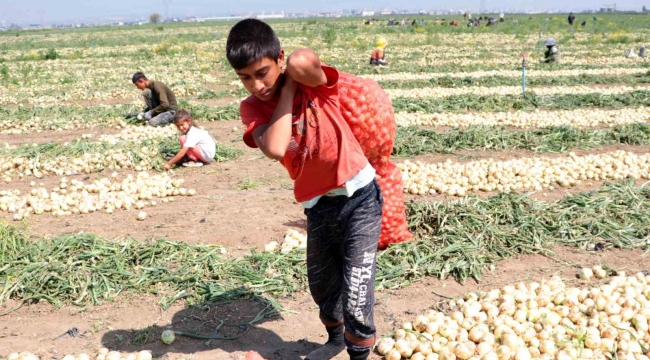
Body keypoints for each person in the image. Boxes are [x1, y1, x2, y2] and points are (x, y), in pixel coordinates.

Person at [226, 18, 383, 360]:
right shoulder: (251, 108)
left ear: (278, 59)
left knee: (357, 289)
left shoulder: (313, 84)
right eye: (245, 77)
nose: (256, 85)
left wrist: (293, 79)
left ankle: (358, 354)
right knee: (323, 288)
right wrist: (286, 92)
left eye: (263, 72)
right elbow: (277, 147)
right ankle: (335, 339)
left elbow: (303, 62)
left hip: (359, 196)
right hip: (318, 205)